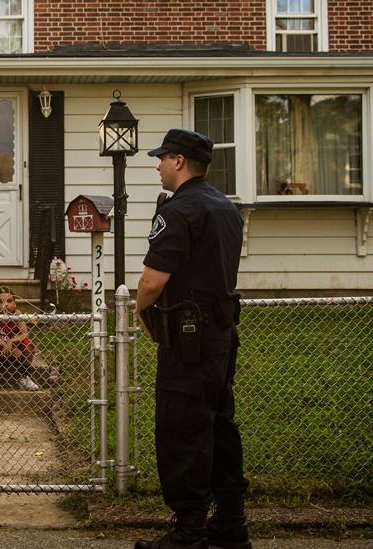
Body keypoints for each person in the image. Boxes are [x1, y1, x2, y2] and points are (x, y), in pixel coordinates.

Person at [134, 129, 250, 549]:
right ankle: (231, 523)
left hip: (188, 338)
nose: (158, 165)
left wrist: (140, 309)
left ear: (179, 161)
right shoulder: (225, 207)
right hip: (221, 333)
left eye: (162, 158)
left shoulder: (180, 209)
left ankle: (190, 532)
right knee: (219, 425)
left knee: (183, 429)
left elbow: (152, 281)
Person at [0, 286, 45, 392]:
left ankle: (25, 376)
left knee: (28, 344)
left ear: (15, 303)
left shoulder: (17, 315)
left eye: (9, 301)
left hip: (17, 354)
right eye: (1, 302)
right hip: (0, 352)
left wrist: (11, 342)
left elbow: (25, 333)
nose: (5, 304)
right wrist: (5, 345)